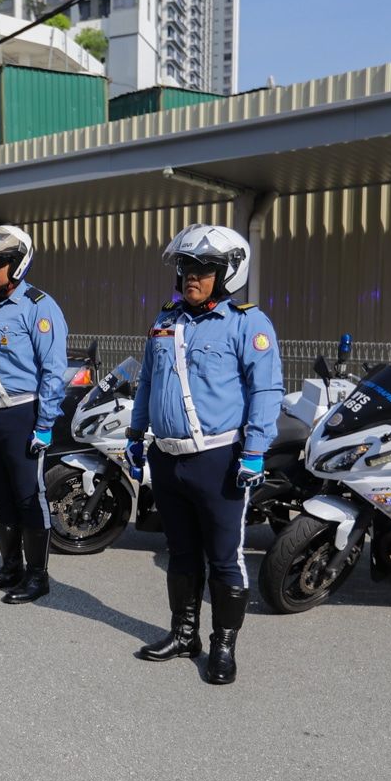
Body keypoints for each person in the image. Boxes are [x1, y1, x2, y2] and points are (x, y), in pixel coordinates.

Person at [126, 224, 283, 686]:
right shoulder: (165, 320)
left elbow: (266, 390)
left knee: (223, 558)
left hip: (219, 460)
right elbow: (149, 383)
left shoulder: (248, 323)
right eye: (185, 267)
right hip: (168, 458)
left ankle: (223, 645)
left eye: (203, 269)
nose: (190, 276)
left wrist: (254, 451)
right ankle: (184, 633)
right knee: (180, 553)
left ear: (227, 273)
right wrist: (137, 433)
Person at [0, 224, 68, 605]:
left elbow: (53, 370)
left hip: (22, 413)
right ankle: (10, 568)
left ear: (17, 263)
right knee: (2, 495)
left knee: (28, 496)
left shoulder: (39, 306)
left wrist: (44, 425)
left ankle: (37, 576)